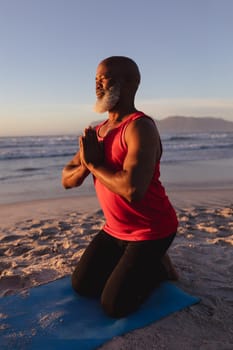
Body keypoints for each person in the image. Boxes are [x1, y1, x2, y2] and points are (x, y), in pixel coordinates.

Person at [62, 56, 178, 318]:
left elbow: (132, 191)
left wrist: (93, 165)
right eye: (96, 80)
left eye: (106, 79)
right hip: (115, 230)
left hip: (151, 229)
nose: (98, 86)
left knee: (114, 306)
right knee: (82, 286)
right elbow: (67, 178)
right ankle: (145, 262)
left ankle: (159, 267)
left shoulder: (140, 128)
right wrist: (85, 166)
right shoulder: (99, 131)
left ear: (130, 83)